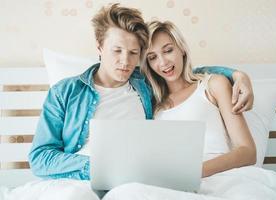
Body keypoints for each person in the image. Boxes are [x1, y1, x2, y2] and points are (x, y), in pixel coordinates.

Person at [26, 3, 252, 200]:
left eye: (134, 53)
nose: (125, 62)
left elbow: (189, 76)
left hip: (134, 185)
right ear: (99, 47)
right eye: (117, 50)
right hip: (79, 179)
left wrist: (237, 75)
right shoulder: (65, 92)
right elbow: (40, 157)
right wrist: (97, 167)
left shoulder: (144, 86)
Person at [101, 20, 256, 200]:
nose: (163, 62)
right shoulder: (152, 105)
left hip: (222, 179)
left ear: (181, 49)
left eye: (168, 50)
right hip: (171, 186)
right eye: (152, 57)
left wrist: (193, 172)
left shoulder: (213, 85)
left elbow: (248, 151)